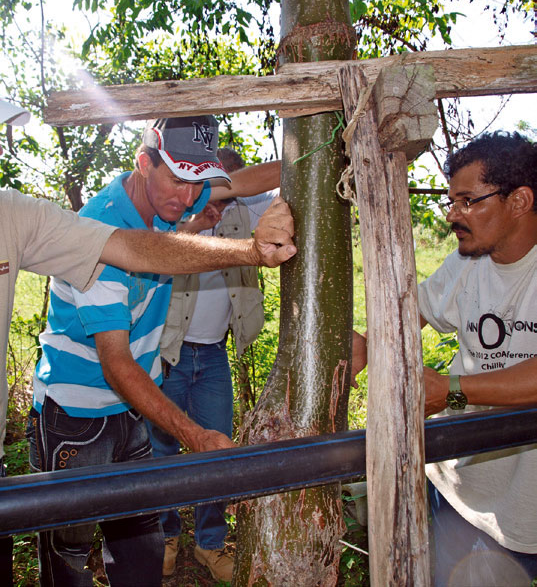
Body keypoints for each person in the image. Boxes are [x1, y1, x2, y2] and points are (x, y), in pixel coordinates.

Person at [20, 114, 293, 586]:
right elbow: (116, 364)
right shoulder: (98, 230)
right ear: (143, 162)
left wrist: (315, 155)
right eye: (178, 181)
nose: (189, 197)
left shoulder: (171, 195)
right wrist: (197, 436)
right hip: (77, 414)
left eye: (197, 182)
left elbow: (241, 182)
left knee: (140, 551)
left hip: (131, 411)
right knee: (68, 557)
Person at [352, 131, 537, 585]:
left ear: (520, 201)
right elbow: (413, 312)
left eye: (468, 200)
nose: (453, 215)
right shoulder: (469, 261)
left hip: (525, 505)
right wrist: (365, 345)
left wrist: (451, 390)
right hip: (457, 488)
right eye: (451, 200)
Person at [148, 147, 278, 581]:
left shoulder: (246, 210)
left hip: (215, 355)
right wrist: (193, 226)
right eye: (212, 189)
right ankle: (165, 535)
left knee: (218, 450)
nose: (218, 201)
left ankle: (210, 543)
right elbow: (152, 250)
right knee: (162, 448)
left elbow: (280, 184)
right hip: (171, 353)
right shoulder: (174, 215)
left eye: (228, 189)